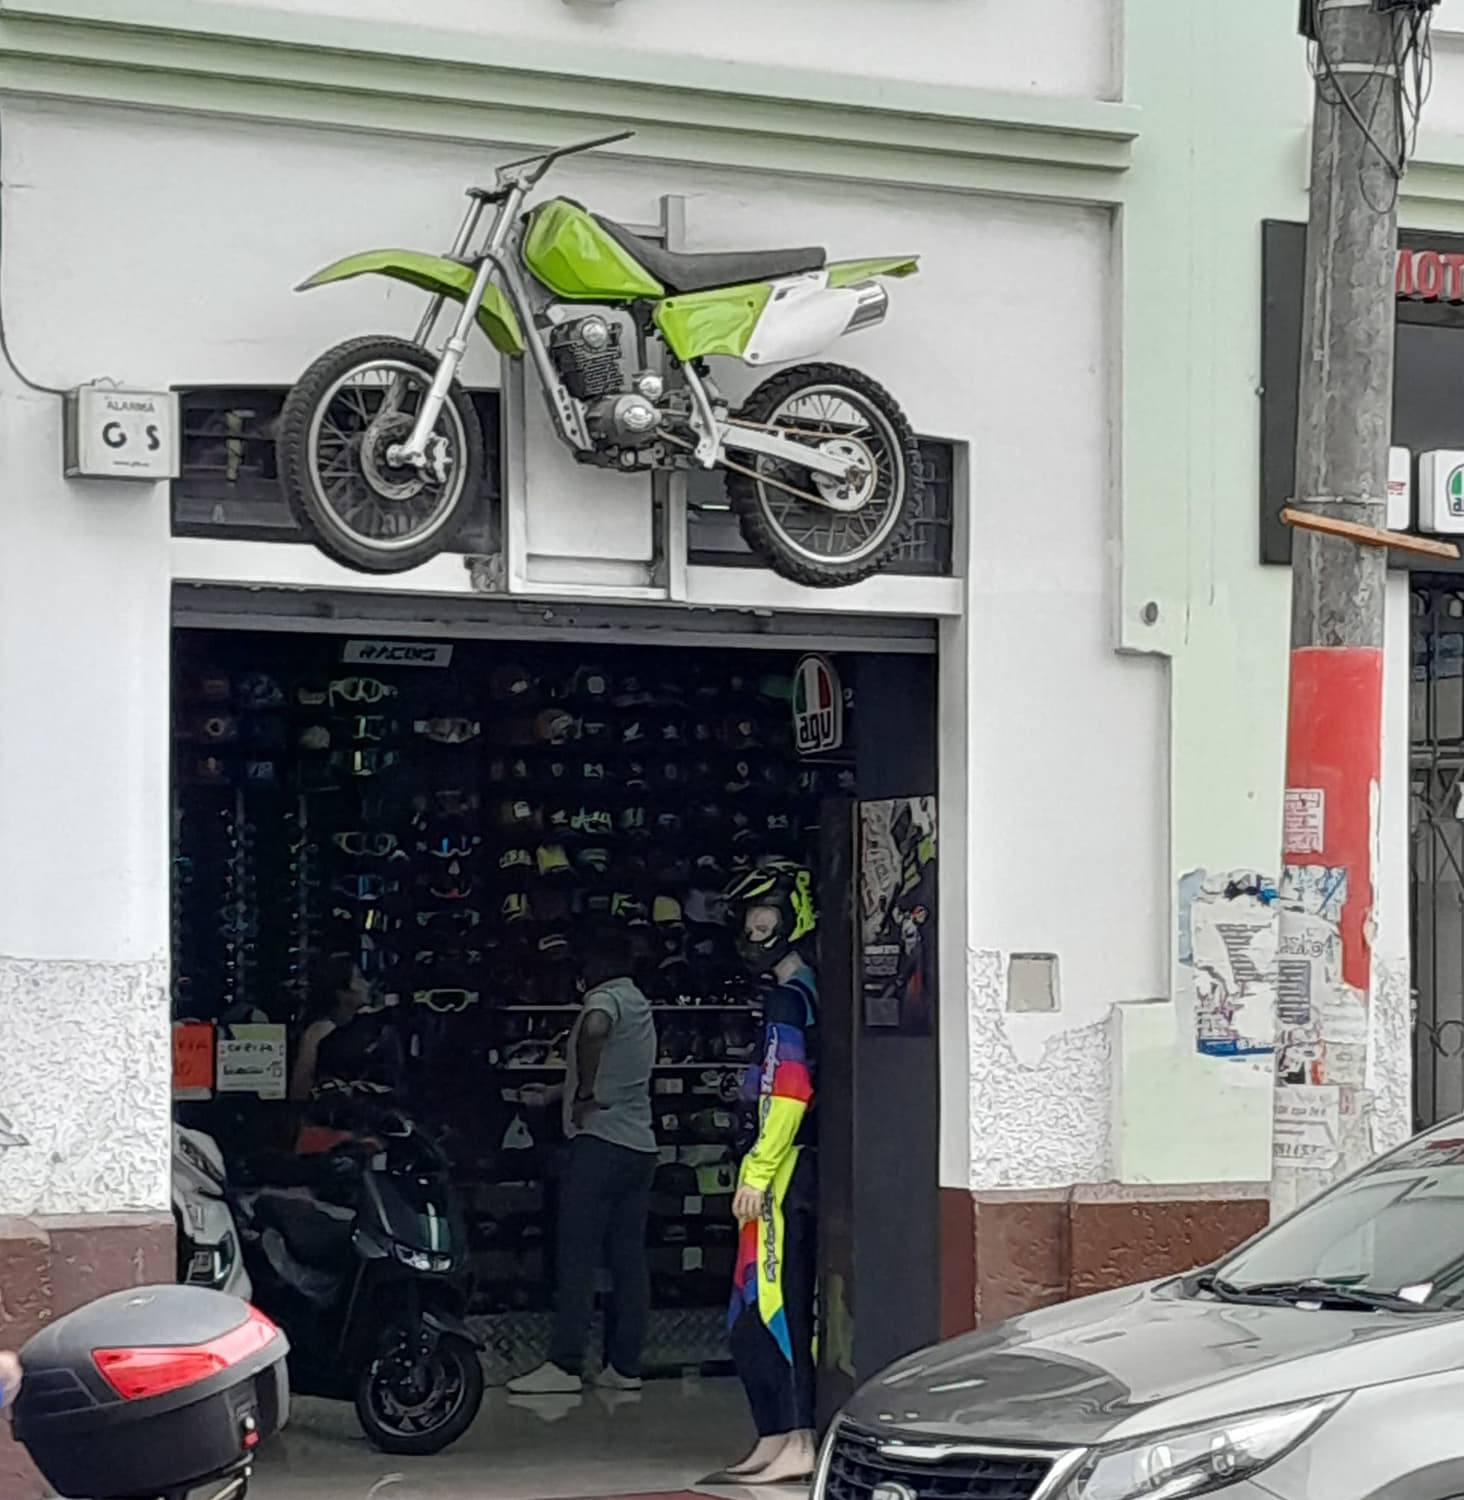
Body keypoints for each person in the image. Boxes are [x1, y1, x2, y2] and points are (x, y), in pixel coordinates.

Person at [509, 932, 658, 1396]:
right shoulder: (639, 1003)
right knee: (628, 1258)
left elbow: (594, 1029)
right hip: (640, 1146)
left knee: (576, 1253)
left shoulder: (606, 998)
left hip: (600, 1144)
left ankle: (566, 1364)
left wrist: (585, 1094)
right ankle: (625, 1366)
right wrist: (559, 1093)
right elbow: (622, 1071)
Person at [721, 860, 819, 1486]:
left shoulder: (791, 994)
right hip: (777, 1172)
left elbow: (791, 1089)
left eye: (766, 915)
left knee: (774, 1310)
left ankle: (800, 1437)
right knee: (747, 1313)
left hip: (781, 1177)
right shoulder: (792, 991)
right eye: (750, 917)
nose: (755, 929)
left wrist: (757, 1172)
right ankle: (774, 1433)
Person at [288, 956, 383, 1102]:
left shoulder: (367, 1027)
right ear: (342, 990)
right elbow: (300, 1088)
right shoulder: (319, 1031)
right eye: (359, 978)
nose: (367, 984)